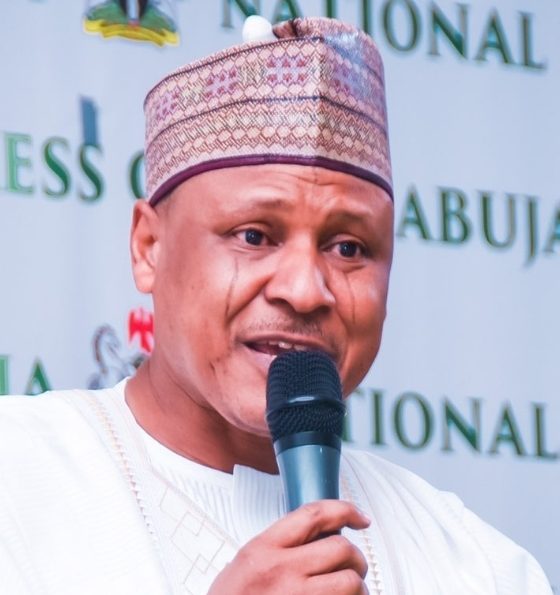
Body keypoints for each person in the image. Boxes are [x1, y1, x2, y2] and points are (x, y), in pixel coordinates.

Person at [0, 16, 552, 595]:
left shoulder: (476, 565)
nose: (305, 290)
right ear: (149, 247)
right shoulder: (19, 476)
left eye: (348, 247)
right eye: (254, 236)